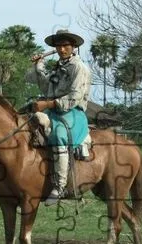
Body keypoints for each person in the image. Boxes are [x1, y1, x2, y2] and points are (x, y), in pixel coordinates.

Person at [26, 29, 92, 206]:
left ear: (73, 47)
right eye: (59, 46)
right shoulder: (58, 68)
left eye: (65, 46)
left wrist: (47, 105)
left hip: (73, 113)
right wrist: (38, 65)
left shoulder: (79, 68)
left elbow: (74, 97)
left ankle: (60, 186)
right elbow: (45, 87)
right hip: (53, 110)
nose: (62, 49)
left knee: (58, 134)